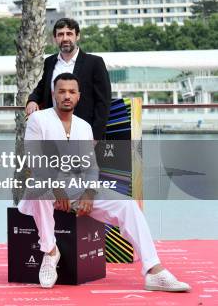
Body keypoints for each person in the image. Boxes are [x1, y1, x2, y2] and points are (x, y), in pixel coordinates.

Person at [18, 73, 190, 292]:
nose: (67, 96)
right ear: (53, 94)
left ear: (79, 96)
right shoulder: (38, 119)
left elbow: (91, 166)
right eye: (62, 91)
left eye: (72, 92)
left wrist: (89, 193)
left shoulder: (84, 127)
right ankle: (50, 252)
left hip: (78, 188)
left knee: (128, 206)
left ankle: (153, 271)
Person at [26, 18, 111, 140]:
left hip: (83, 132)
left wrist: (95, 135)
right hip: (52, 131)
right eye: (60, 34)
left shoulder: (94, 63)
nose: (65, 38)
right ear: (55, 38)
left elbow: (103, 102)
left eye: (69, 33)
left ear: (77, 36)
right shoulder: (50, 62)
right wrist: (32, 100)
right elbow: (41, 87)